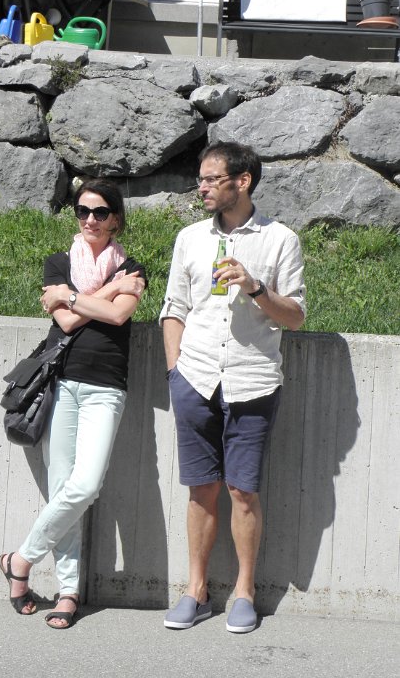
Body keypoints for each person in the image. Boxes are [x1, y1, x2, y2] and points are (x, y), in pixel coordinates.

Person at [160, 141, 306, 634]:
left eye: (211, 178)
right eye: (200, 178)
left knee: (243, 490)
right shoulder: (190, 238)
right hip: (195, 377)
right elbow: (174, 307)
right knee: (201, 489)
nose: (201, 187)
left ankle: (244, 591)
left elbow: (296, 317)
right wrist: (175, 371)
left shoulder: (280, 239)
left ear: (242, 182)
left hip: (252, 380)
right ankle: (196, 590)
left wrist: (255, 287)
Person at [0, 178, 146, 628]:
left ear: (115, 219)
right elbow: (64, 321)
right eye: (83, 211)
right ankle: (68, 591)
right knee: (62, 487)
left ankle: (19, 560)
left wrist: (73, 296)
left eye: (100, 212)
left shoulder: (133, 267)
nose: (90, 220)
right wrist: (99, 293)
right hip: (60, 385)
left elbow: (119, 315)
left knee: (84, 486)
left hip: (106, 388)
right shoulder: (59, 262)